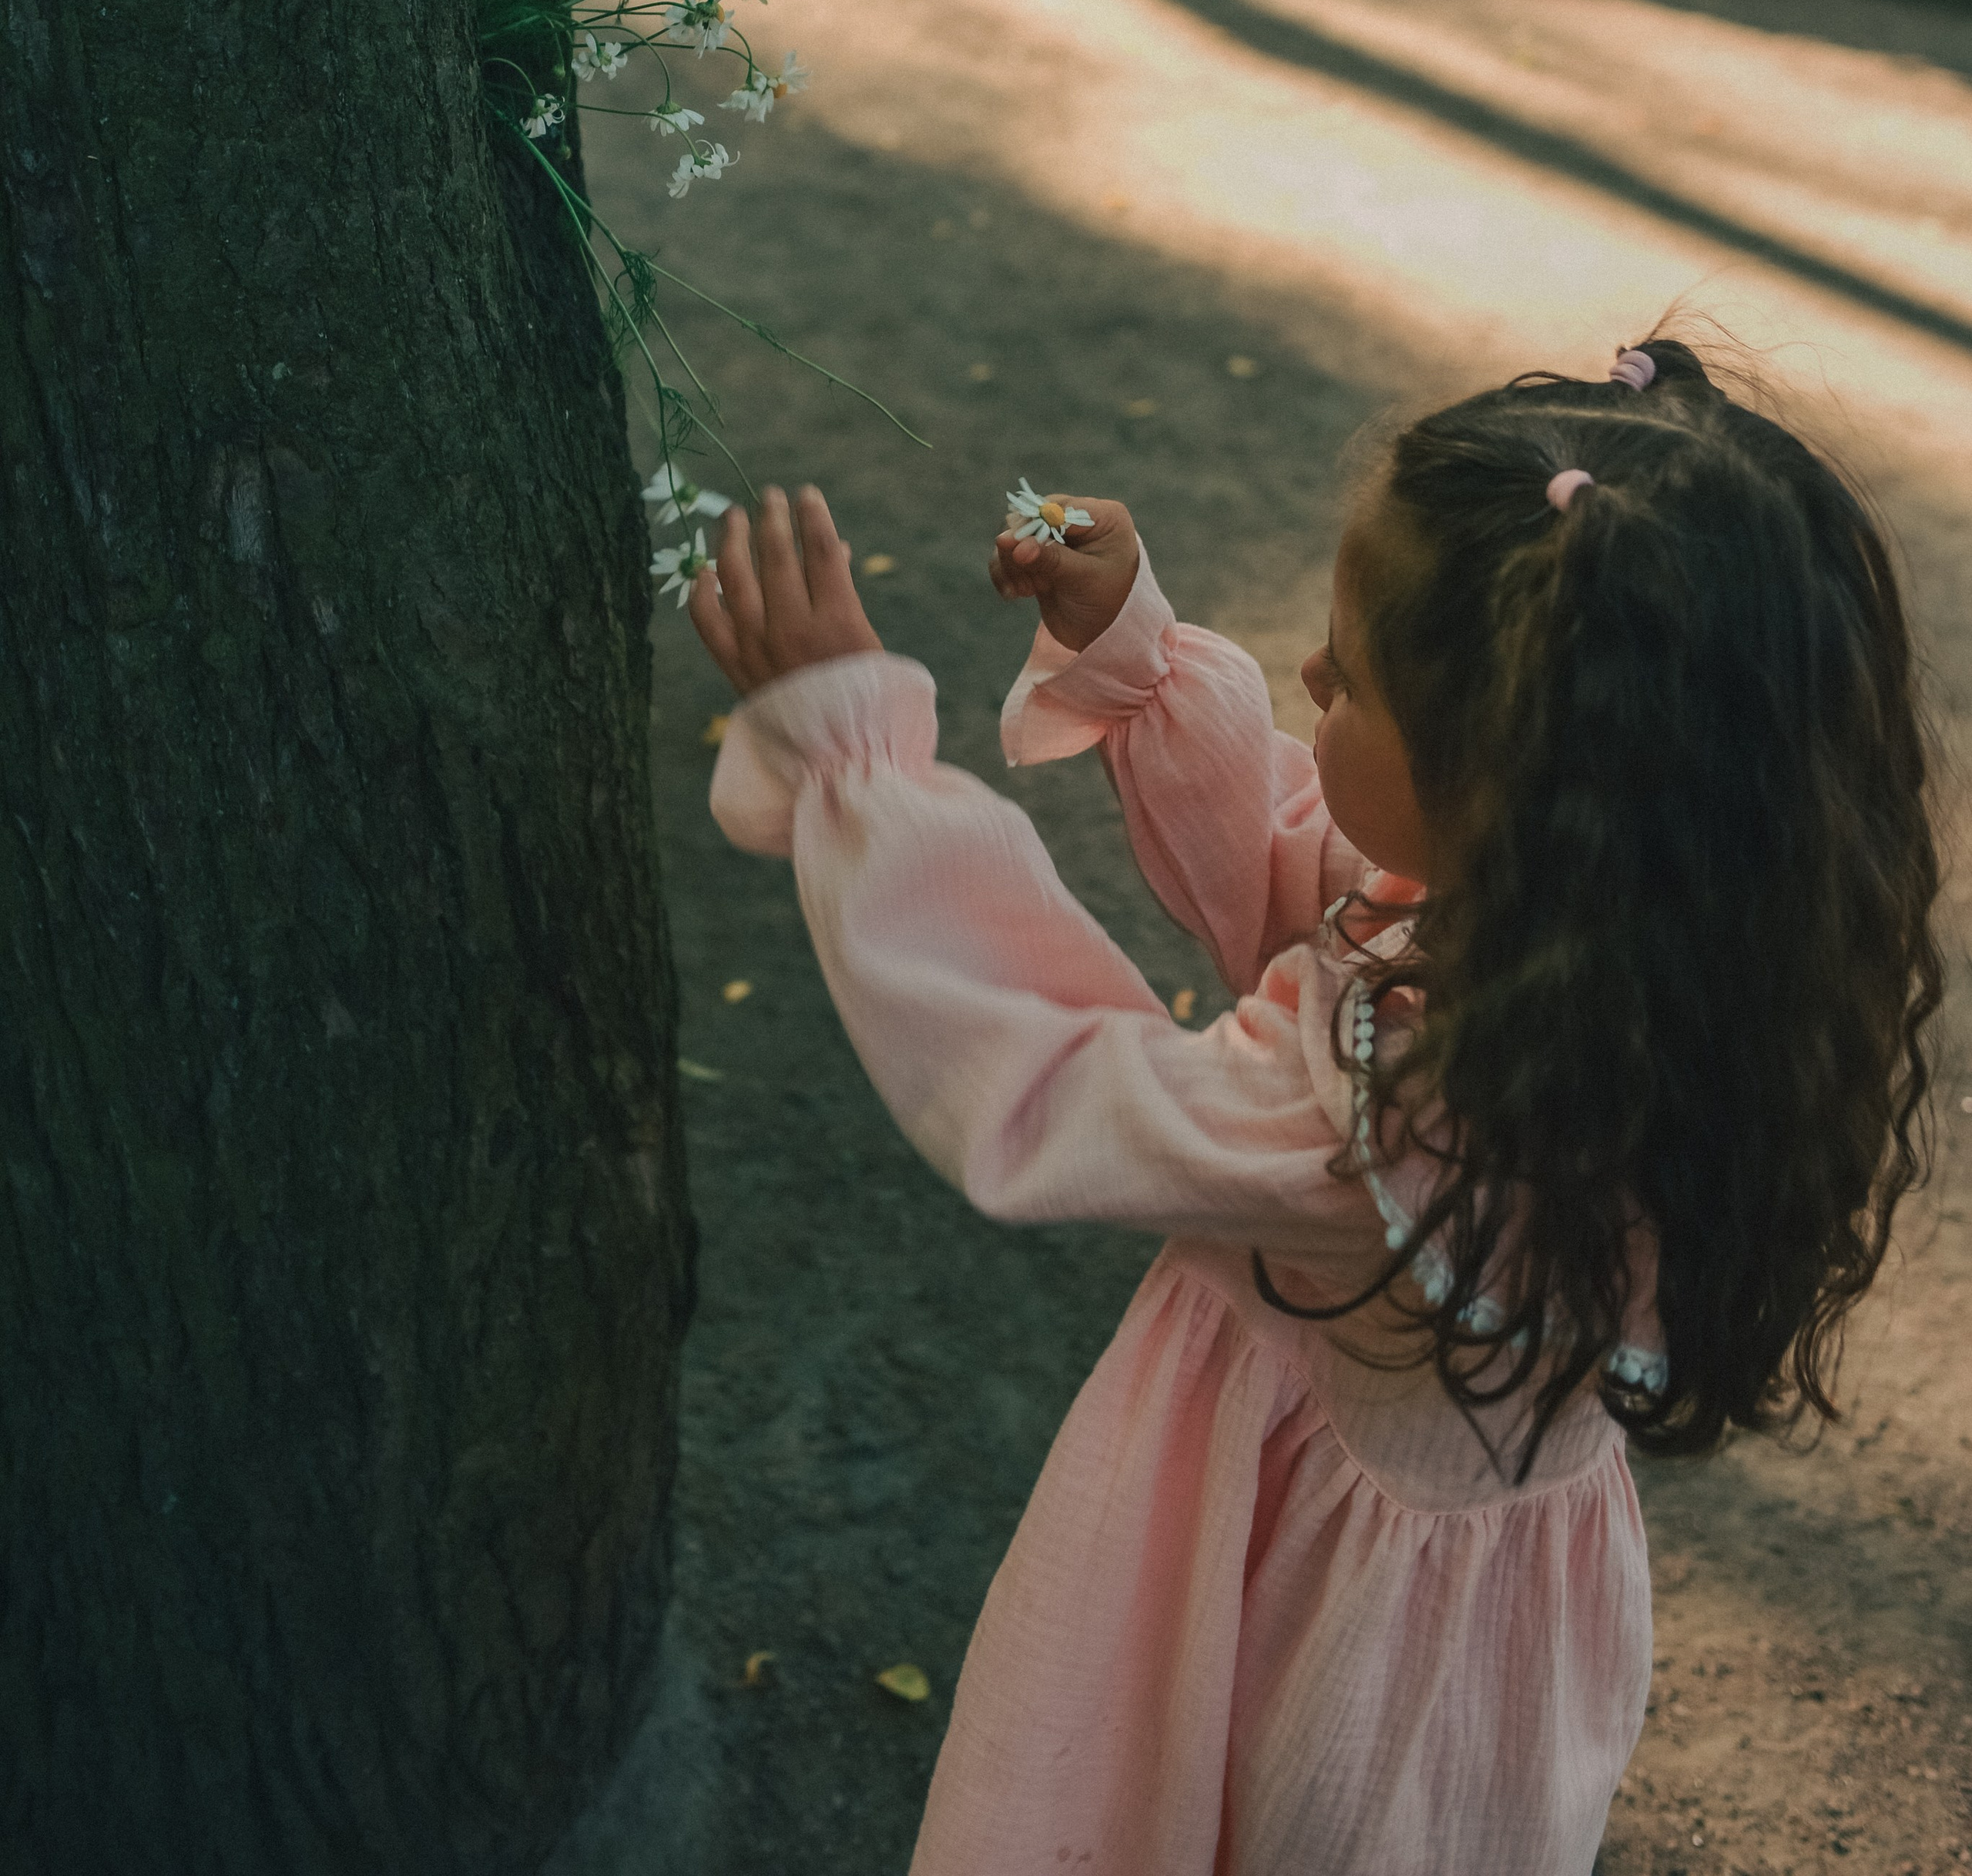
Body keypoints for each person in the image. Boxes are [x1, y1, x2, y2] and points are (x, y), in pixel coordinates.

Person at [686, 338, 1943, 1876]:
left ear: (1509, 782)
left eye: (1349, 676)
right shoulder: (1637, 972)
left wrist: (857, 764)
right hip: (1479, 1615)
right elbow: (1325, 886)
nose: (1312, 677)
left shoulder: (1410, 1118)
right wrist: (1138, 658)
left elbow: (1066, 1078)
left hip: (1299, 1625)